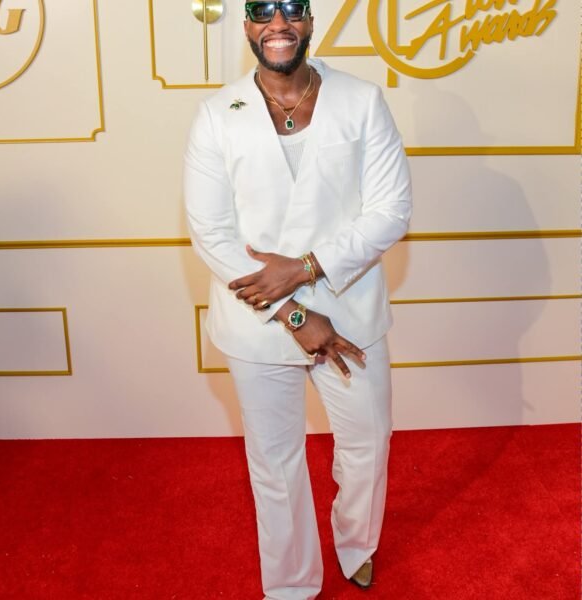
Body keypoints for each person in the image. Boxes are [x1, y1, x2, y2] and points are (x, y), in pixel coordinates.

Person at [184, 1, 412, 598]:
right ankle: (290, 585)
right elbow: (211, 233)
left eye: (291, 8)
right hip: (257, 319)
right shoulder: (216, 115)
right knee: (275, 460)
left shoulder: (362, 100)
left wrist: (307, 268)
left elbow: (391, 210)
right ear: (247, 26)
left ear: (310, 20)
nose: (277, 23)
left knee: (367, 443)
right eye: (263, 10)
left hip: (351, 307)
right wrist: (294, 312)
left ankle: (356, 544)